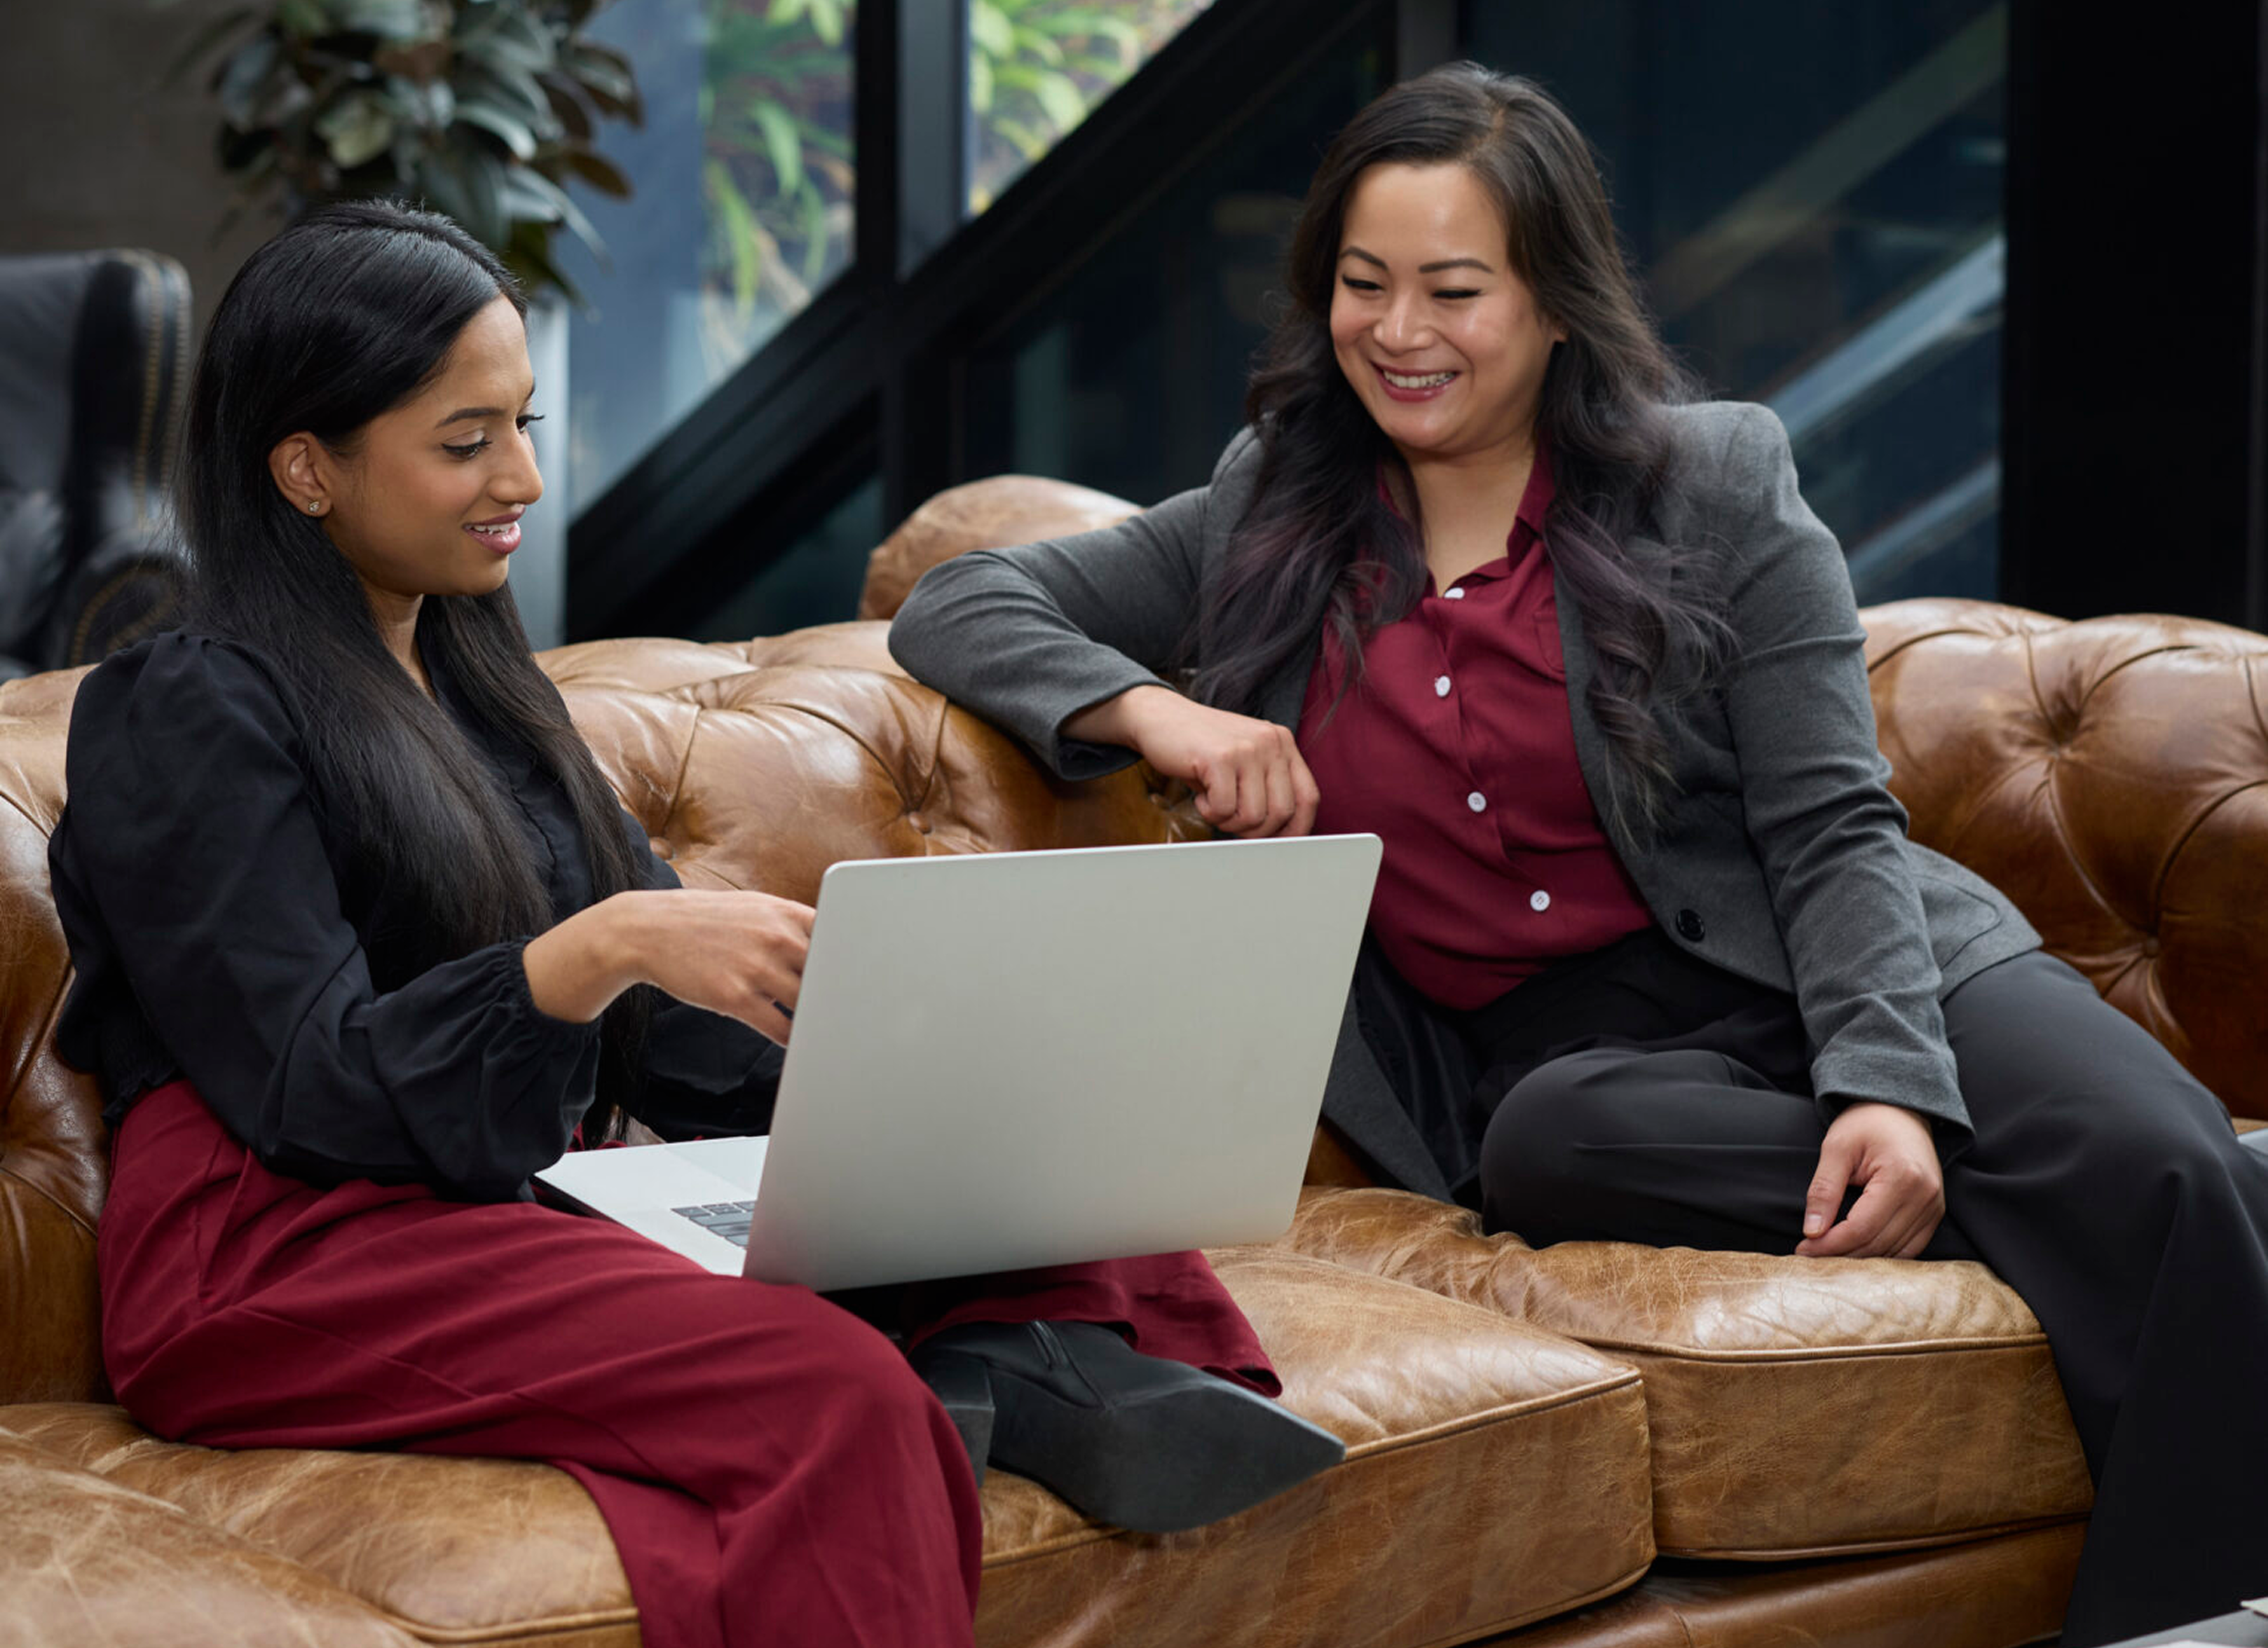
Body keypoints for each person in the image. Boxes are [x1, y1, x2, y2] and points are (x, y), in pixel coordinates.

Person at [889, 63, 2268, 1647]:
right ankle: (2160, 1200)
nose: (1399, 332)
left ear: (1553, 303)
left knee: (2156, 1160)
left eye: (1453, 290)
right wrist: (1163, 719)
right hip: (1588, 1066)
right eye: (1361, 284)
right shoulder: (1270, 506)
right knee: (1554, 1148)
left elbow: (1829, 826)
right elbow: (960, 601)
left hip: (1847, 953)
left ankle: (2183, 1612)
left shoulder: (1715, 482)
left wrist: (1886, 1079)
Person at [47, 200, 1344, 1648]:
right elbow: (307, 1087)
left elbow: (672, 1023)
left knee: (1086, 1231)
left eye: (523, 421)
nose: (524, 476)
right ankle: (955, 1370)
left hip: (471, 1194)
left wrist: (914, 1075)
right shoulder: (184, 707)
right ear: (305, 468)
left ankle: (994, 1346)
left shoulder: (481, 683)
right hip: (265, 1246)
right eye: (464, 441)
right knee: (823, 1391)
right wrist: (585, 957)